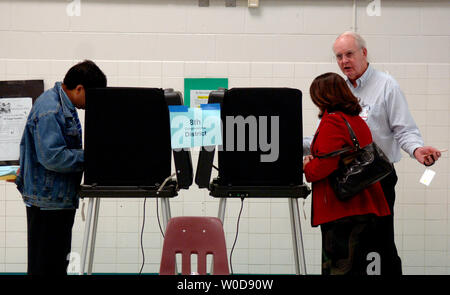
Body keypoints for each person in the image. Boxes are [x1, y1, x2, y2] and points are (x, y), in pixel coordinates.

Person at [304, 31, 442, 275]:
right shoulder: (340, 89)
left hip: (376, 179)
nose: (344, 61)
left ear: (364, 53)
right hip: (345, 185)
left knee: (380, 246)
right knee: (354, 253)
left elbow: (404, 129)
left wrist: (417, 150)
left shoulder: (386, 85)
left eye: (349, 54)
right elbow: (323, 143)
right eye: (338, 56)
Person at [15, 60, 107, 275]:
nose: (92, 104)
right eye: (92, 97)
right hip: (49, 203)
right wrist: (95, 157)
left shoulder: (62, 103)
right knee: (47, 268)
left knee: (54, 265)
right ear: (79, 88)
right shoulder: (51, 109)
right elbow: (53, 157)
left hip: (55, 200)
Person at [303, 72, 392, 275]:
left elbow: (325, 165)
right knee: (363, 268)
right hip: (366, 205)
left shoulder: (332, 122)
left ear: (322, 97)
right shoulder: (355, 119)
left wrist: (307, 165)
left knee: (339, 268)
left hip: (342, 210)